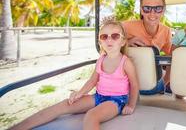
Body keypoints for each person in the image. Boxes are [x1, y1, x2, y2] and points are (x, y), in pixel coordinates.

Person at [10, 18, 139, 130]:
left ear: (122, 41)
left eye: (115, 36)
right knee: (64, 105)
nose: (109, 39)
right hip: (98, 96)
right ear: (100, 42)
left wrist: (130, 105)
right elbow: (92, 81)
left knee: (91, 116)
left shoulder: (125, 62)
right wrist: (79, 93)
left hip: (116, 100)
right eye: (104, 36)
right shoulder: (101, 59)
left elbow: (134, 85)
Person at [122, 0, 172, 94]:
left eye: (158, 8)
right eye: (147, 8)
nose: (152, 13)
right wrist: (126, 42)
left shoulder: (166, 31)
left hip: (154, 85)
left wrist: (165, 82)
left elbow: (170, 60)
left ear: (163, 11)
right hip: (126, 85)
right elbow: (104, 42)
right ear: (141, 10)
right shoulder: (125, 26)